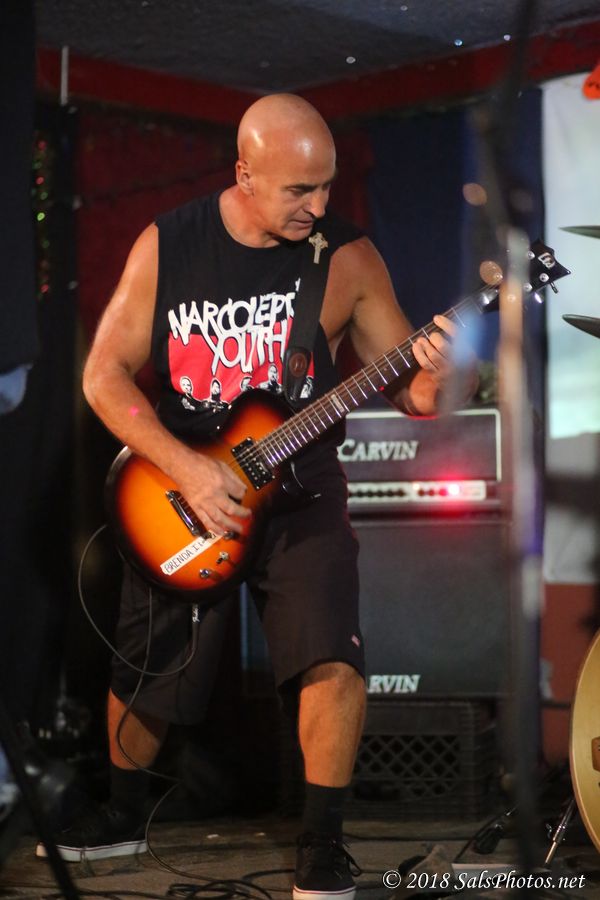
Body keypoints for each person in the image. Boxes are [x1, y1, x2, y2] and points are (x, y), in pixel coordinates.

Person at [41, 94, 474, 898]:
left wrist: (452, 370)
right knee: (148, 660)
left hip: (301, 487)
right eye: (298, 190)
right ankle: (124, 812)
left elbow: (416, 394)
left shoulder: (348, 258)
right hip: (183, 482)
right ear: (244, 173)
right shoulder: (171, 243)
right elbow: (103, 376)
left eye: (328, 186)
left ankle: (323, 841)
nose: (318, 205)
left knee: (331, 652)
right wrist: (186, 467)